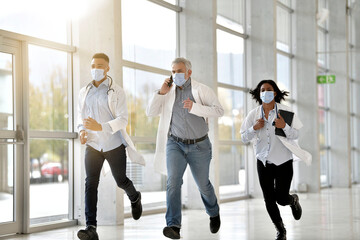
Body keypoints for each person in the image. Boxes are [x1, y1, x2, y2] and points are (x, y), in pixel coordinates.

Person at [146, 57, 224, 239]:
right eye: (173, 71)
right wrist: (160, 92)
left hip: (200, 146)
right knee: (173, 182)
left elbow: (219, 111)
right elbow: (150, 112)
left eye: (179, 71)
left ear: (189, 72)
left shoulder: (201, 90)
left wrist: (195, 107)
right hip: (175, 144)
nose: (176, 75)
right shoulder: (168, 91)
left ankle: (213, 212)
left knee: (203, 185)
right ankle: (173, 225)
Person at [77, 53, 145, 240]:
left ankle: (135, 197)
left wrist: (101, 127)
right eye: (93, 65)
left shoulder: (117, 91)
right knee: (90, 184)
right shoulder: (85, 91)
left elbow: (123, 119)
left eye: (100, 65)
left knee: (120, 180)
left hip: (113, 144)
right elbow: (80, 117)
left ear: (107, 68)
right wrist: (82, 131)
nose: (96, 69)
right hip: (93, 145)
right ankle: (91, 227)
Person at [240, 79, 306, 240]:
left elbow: (296, 134)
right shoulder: (253, 114)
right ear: (259, 93)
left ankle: (292, 200)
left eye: (268, 89)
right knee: (269, 199)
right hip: (263, 162)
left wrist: (284, 125)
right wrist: (253, 128)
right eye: (262, 90)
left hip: (283, 160)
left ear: (274, 92)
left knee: (281, 198)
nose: (265, 92)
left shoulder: (286, 111)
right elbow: (243, 137)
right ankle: (281, 230)